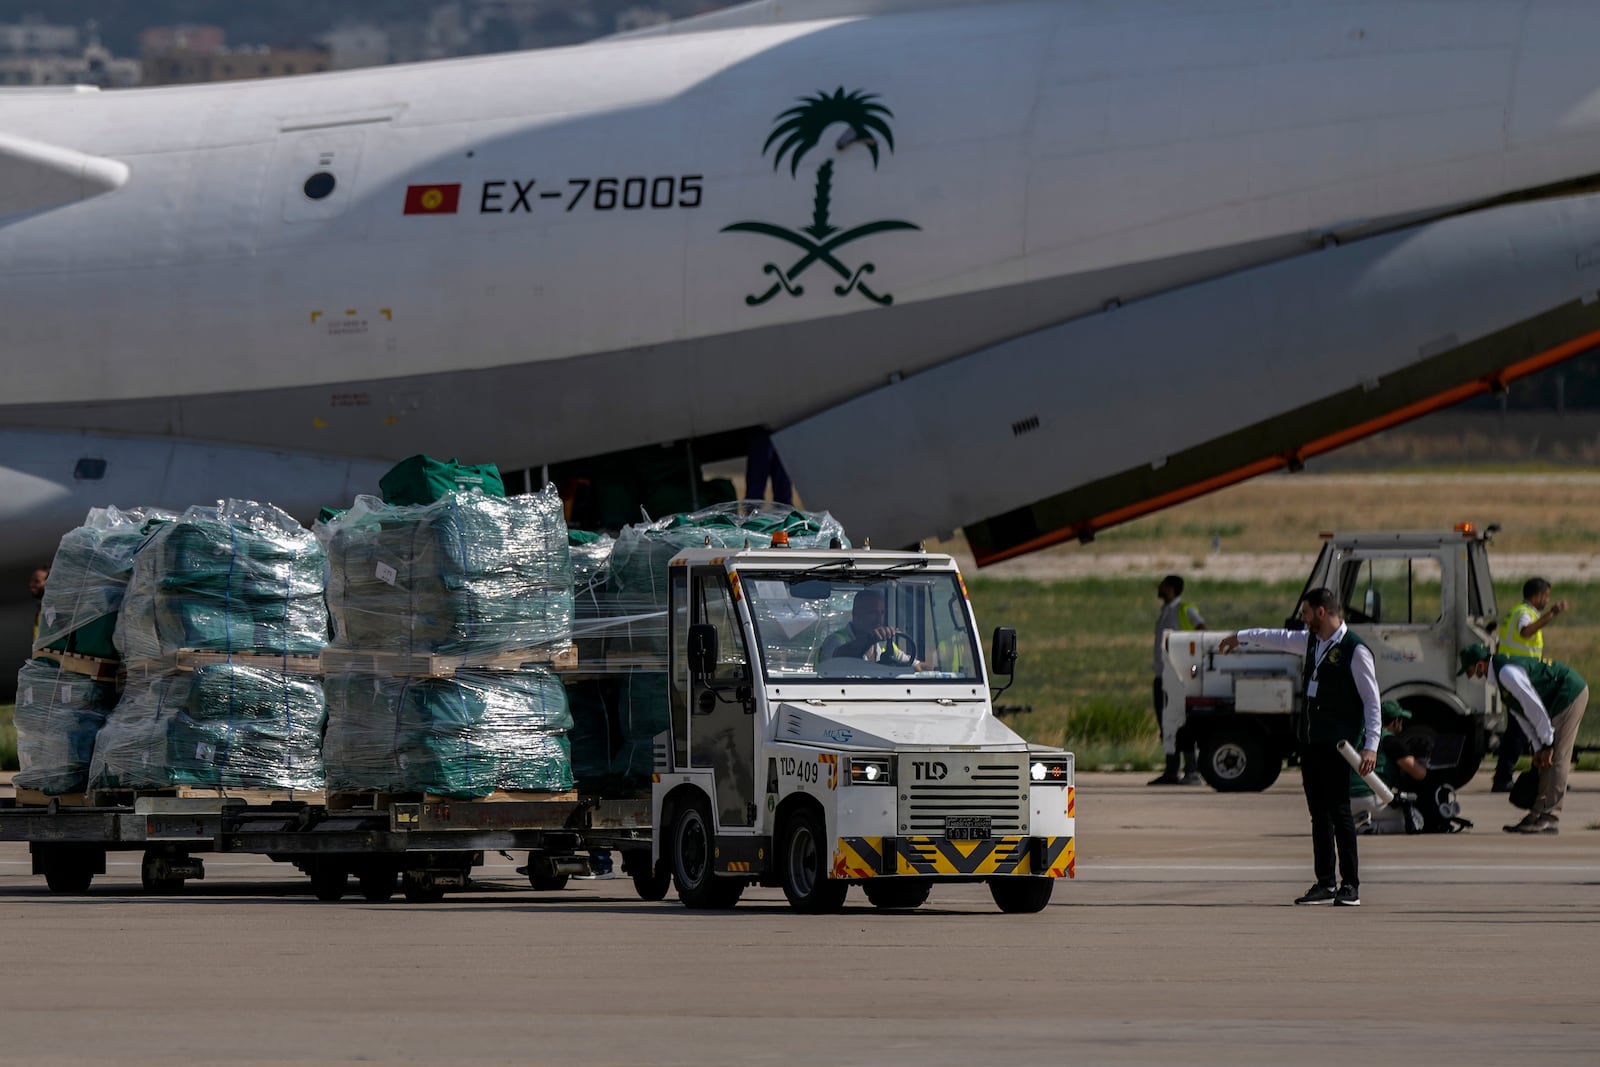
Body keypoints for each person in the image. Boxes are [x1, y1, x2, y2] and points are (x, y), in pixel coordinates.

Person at [1218, 588, 1380, 906]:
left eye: (1306, 613)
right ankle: (1325, 883)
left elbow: (1372, 701)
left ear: (1322, 612)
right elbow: (1276, 637)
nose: (1302, 619)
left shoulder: (1355, 650)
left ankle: (1350, 885)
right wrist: (1241, 636)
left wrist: (1371, 745)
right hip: (1310, 742)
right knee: (1318, 815)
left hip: (1338, 745)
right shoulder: (1311, 642)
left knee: (1340, 812)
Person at [1458, 643, 1589, 834]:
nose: (1470, 676)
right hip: (1552, 701)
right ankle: (1536, 814)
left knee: (1557, 757)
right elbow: (1521, 716)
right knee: (1544, 760)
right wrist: (1538, 748)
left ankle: (1551, 816)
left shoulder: (1506, 673)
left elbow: (1532, 705)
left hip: (1568, 694)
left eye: (1470, 670)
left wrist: (1548, 741)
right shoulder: (1500, 680)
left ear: (1480, 664)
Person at [1491, 578, 1569, 791]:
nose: (1547, 600)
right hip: (1519, 679)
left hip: (1515, 678)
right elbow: (1526, 631)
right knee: (1520, 731)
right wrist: (1552, 614)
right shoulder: (1524, 613)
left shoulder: (1516, 611)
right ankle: (1505, 777)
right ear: (1539, 595)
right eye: (1546, 596)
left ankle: (1509, 776)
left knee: (1519, 731)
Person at [1150, 575, 1206, 785]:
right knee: (1167, 725)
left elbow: (1202, 628)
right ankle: (1171, 771)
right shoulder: (1166, 611)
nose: (1159, 588)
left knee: (1182, 724)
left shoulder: (1185, 609)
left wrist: (1189, 658)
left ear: (1171, 589)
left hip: (1177, 678)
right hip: (1161, 677)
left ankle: (1192, 771)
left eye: (1163, 585)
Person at [1349, 702, 1430, 833]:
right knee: (1416, 819)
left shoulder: (1361, 736)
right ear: (1395, 722)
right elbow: (1419, 774)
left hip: (1347, 799)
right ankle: (1370, 828)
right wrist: (1425, 764)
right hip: (1369, 798)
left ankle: (1361, 821)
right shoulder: (1389, 740)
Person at [820, 588, 929, 670]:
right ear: (856, 614)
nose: (879, 619)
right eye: (872, 613)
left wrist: (936, 673)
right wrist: (868, 640)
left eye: (881, 613)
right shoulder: (834, 641)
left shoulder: (883, 644)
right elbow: (838, 657)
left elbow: (914, 664)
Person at [29, 564, 48, 644]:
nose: (31, 585)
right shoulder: (40, 611)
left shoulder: (53, 612)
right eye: (32, 581)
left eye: (37, 581)